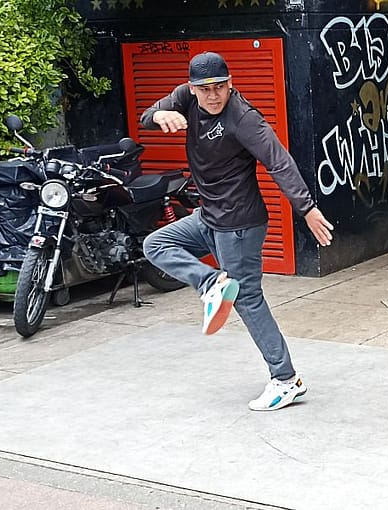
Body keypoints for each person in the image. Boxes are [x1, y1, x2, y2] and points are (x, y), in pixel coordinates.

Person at [141, 52, 334, 412]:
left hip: (240, 224)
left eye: (221, 87)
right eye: (205, 89)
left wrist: (306, 208)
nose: (213, 96)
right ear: (192, 89)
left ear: (231, 84)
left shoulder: (243, 118)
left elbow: (279, 161)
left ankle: (285, 379)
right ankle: (210, 282)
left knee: (247, 298)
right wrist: (156, 114)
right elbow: (147, 117)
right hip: (210, 217)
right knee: (157, 243)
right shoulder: (185, 98)